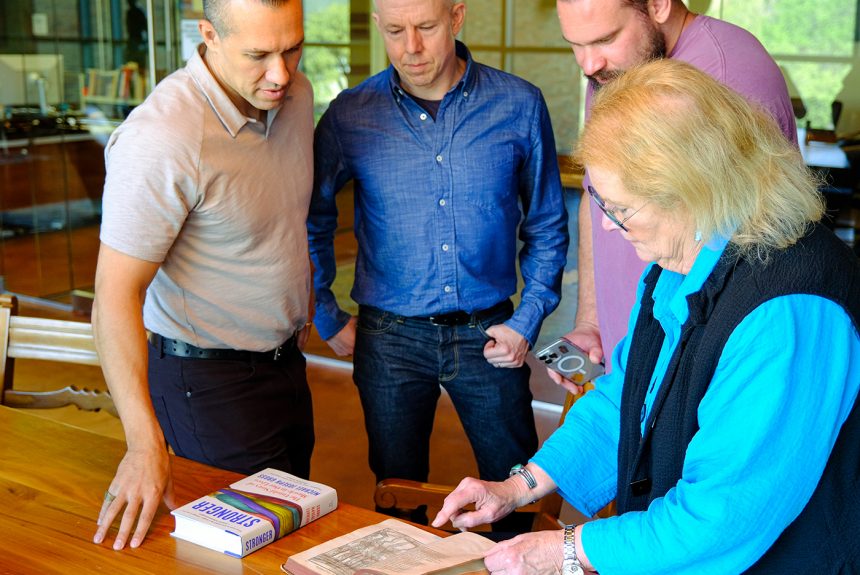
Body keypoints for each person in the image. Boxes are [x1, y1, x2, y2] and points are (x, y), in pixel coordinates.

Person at [433, 59, 860, 574]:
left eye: (622, 209)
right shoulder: (682, 257)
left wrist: (565, 552)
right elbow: (626, 399)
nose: (610, 227)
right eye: (601, 201)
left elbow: (718, 520)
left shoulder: (787, 313)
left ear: (693, 192)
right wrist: (516, 487)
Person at [307, 0, 568, 524]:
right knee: (396, 495)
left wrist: (527, 319)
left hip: (490, 333)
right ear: (379, 26)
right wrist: (326, 316)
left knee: (514, 489)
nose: (411, 47)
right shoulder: (350, 115)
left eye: (425, 27)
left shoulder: (518, 104)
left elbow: (546, 225)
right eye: (396, 31)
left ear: (455, 17)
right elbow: (308, 218)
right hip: (389, 342)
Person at [91, 0, 315, 550]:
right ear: (209, 35)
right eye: (258, 55)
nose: (281, 74)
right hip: (207, 385)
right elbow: (113, 298)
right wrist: (144, 446)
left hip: (286, 367)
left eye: (292, 49)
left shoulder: (296, 95)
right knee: (249, 554)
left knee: (298, 534)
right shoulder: (163, 139)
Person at [552, 0, 798, 384]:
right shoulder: (614, 71)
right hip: (628, 359)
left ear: (658, 5)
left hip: (691, 370)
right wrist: (591, 320)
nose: (587, 64)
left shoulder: (731, 73)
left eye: (605, 39)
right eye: (575, 44)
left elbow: (758, 251)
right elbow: (593, 196)